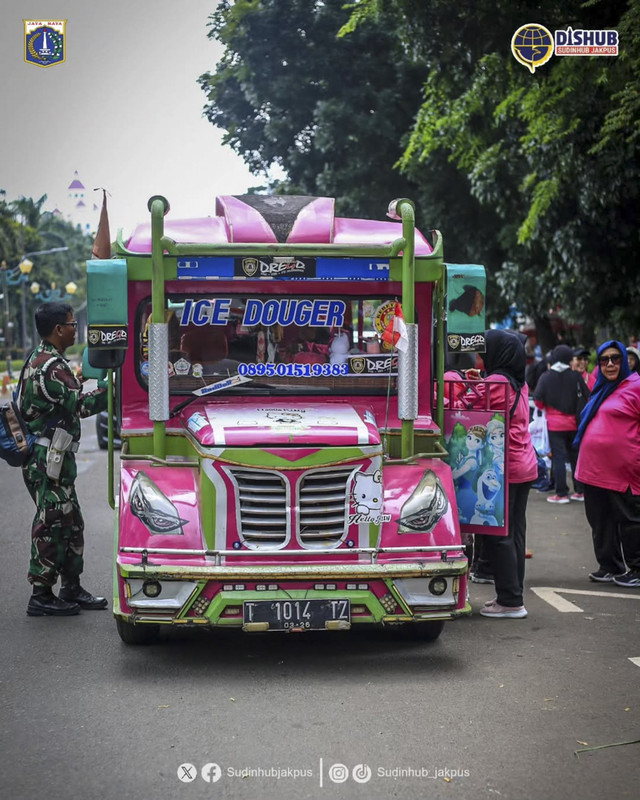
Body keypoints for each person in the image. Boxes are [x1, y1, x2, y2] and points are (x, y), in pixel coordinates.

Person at [20, 302, 109, 616]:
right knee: (51, 524)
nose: (76, 328)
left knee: (71, 523)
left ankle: (71, 587)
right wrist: (114, 389)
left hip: (54, 457)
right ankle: (41, 594)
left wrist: (83, 379)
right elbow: (80, 406)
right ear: (58, 329)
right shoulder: (51, 365)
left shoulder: (43, 359)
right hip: (47, 459)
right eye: (72, 324)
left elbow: (63, 397)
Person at [467, 329, 538, 618]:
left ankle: (510, 601)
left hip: (504, 467)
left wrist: (462, 383)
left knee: (499, 535)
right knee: (515, 534)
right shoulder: (518, 383)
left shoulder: (497, 382)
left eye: (485, 351)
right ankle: (512, 596)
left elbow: (470, 405)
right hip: (524, 464)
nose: (481, 357)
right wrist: (480, 383)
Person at [574, 340, 640, 587]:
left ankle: (637, 568)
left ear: (624, 360)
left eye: (615, 358)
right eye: (604, 360)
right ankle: (610, 566)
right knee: (600, 521)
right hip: (592, 470)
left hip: (624, 470)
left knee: (630, 520)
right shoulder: (601, 388)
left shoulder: (635, 386)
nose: (610, 364)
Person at [534, 345, 589, 504]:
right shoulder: (576, 376)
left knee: (558, 458)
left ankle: (562, 493)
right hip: (574, 424)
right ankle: (580, 491)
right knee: (575, 457)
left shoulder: (546, 377)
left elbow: (537, 401)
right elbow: (587, 395)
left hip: (554, 425)